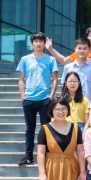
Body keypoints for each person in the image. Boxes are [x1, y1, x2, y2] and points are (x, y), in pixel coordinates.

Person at [17, 32, 59, 167]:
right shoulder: (25, 59)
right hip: (29, 99)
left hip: (44, 99)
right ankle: (29, 155)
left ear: (44, 43)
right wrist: (23, 97)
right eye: (36, 41)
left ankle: (46, 155)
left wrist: (50, 97)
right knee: (30, 128)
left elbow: (55, 79)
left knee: (46, 128)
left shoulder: (50, 59)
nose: (38, 43)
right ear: (32, 43)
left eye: (41, 41)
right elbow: (21, 79)